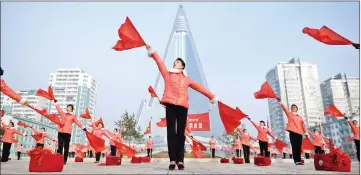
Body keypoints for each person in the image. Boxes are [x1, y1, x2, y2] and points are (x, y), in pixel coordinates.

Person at [146, 45, 216, 170]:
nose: (175, 63)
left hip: (183, 107)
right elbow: (160, 63)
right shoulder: (167, 74)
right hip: (171, 105)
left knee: (181, 133)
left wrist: (211, 96)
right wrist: (153, 53)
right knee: (171, 132)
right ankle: (172, 160)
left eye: (177, 62)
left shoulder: (187, 79)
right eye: (174, 62)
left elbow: (199, 87)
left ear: (182, 66)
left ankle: (180, 160)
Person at [54, 100, 86, 165]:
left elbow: (77, 122)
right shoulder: (63, 114)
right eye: (67, 107)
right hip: (60, 132)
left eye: (69, 107)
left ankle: (64, 160)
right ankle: (58, 159)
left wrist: (83, 127)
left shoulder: (73, 116)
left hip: (67, 133)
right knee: (60, 146)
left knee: (66, 147)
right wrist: (56, 103)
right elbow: (59, 109)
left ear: (71, 109)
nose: (67, 108)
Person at [278, 99, 307, 165]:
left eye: (294, 107)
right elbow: (285, 109)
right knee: (294, 146)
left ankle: (299, 160)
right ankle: (296, 161)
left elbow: (303, 125)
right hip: (293, 132)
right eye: (292, 107)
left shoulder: (300, 117)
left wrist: (305, 132)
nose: (293, 108)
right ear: (291, 109)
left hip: (299, 133)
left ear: (297, 109)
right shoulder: (289, 114)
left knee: (299, 147)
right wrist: (280, 102)